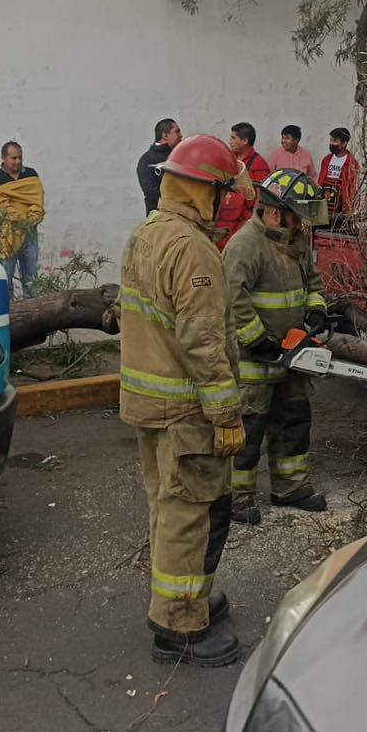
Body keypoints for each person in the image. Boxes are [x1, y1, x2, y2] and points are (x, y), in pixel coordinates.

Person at [120, 134, 249, 666]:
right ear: (203, 192)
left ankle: (185, 598)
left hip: (149, 404)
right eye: (222, 191)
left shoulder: (146, 233)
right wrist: (226, 413)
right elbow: (202, 341)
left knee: (166, 505)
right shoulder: (192, 248)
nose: (227, 202)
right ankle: (177, 627)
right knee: (188, 513)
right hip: (183, 411)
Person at [224, 168, 331, 525]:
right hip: (256, 360)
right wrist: (258, 340)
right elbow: (233, 299)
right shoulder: (245, 245)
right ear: (274, 211)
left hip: (292, 356)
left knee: (294, 422)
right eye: (297, 217)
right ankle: (237, 498)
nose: (301, 225)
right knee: (248, 430)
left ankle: (291, 487)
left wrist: (316, 311)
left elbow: (313, 283)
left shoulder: (296, 242)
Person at [0, 141, 45, 297]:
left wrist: (30, 220)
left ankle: (33, 314)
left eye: (20, 157)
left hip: (29, 232)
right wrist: (21, 217)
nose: (18, 161)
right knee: (6, 279)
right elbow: (1, 206)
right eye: (13, 158)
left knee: (31, 279)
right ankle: (10, 314)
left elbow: (37, 202)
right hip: (9, 233)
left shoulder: (31, 175)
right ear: (3, 158)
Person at [215, 121, 270, 248]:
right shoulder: (228, 160)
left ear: (245, 141)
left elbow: (262, 196)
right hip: (222, 218)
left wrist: (254, 222)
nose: (230, 141)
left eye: (233, 138)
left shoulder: (259, 164)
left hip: (242, 222)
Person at [136, 118, 183, 215]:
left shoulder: (178, 157)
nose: (181, 135)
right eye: (177, 132)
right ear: (165, 135)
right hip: (161, 219)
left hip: (182, 216)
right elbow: (151, 191)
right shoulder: (147, 160)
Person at [318, 128, 360, 230]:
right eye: (331, 140)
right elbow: (320, 180)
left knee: (338, 228)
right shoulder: (327, 159)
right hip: (325, 198)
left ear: (344, 143)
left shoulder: (351, 162)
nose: (332, 143)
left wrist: (349, 208)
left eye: (335, 141)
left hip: (341, 202)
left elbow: (352, 187)